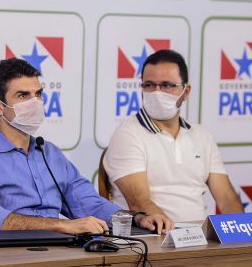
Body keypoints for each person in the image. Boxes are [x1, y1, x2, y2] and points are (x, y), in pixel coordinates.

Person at [0, 58, 170, 234]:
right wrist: (60, 226)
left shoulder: (49, 153)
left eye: (38, 94)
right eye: (23, 95)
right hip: (2, 262)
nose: (35, 102)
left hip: (58, 255)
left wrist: (138, 218)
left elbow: (88, 203)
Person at [103, 50, 243, 226]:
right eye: (149, 85)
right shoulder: (128, 134)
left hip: (200, 241)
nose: (157, 92)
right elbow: (140, 203)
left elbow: (227, 200)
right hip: (153, 241)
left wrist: (243, 236)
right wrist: (182, 238)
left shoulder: (202, 136)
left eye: (167, 85)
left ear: (186, 91)